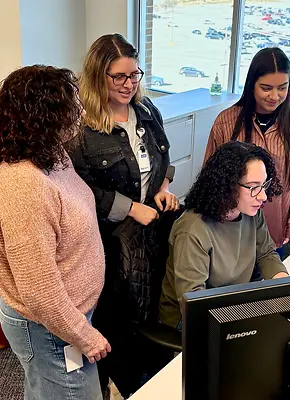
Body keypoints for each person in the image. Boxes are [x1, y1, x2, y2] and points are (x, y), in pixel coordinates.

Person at [68, 34, 180, 398]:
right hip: (106, 243)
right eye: (119, 77)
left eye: (134, 75)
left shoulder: (147, 112)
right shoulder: (81, 127)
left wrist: (163, 187)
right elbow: (76, 189)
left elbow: (164, 161)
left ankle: (141, 385)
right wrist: (130, 207)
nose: (129, 85)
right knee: (111, 324)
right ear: (98, 76)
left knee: (146, 315)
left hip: (149, 237)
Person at [0, 65, 110, 399]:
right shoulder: (24, 184)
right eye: (71, 105)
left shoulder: (51, 153)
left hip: (64, 318)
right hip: (49, 328)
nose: (81, 111)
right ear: (45, 116)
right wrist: (84, 335)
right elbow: (39, 292)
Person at [159, 141, 289, 329]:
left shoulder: (251, 212)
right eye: (253, 187)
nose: (262, 196)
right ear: (227, 185)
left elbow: (266, 253)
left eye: (264, 185)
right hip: (190, 316)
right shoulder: (193, 230)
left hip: (233, 303)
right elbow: (194, 301)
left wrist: (284, 286)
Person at [204, 47, 290, 258]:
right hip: (230, 230)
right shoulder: (227, 123)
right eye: (266, 88)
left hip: (275, 231)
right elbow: (210, 176)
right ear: (251, 85)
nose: (275, 96)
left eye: (282, 88)